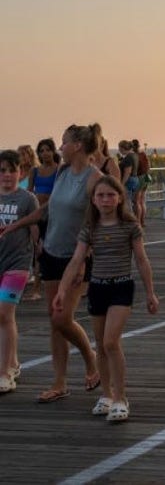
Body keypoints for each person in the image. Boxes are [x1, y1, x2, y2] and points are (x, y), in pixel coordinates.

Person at [53, 176, 158, 422]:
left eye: (110, 195)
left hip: (121, 286)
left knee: (111, 342)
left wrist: (151, 292)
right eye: (100, 195)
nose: (105, 200)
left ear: (120, 197)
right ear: (93, 199)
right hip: (98, 288)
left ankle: (121, 397)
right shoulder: (90, 228)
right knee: (100, 344)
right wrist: (62, 291)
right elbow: (76, 260)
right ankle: (107, 394)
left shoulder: (130, 226)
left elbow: (142, 260)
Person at [37, 123, 103, 403]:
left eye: (63, 143)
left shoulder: (94, 178)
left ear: (77, 146)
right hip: (51, 252)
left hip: (76, 258)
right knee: (55, 322)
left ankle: (91, 358)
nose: (60, 147)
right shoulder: (63, 172)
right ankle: (60, 382)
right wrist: (18, 224)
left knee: (63, 318)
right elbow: (48, 208)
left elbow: (100, 219)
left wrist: (87, 257)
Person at [0, 150, 40, 393]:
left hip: (17, 264)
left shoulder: (27, 199)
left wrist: (40, 254)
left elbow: (35, 230)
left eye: (11, 170)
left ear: (20, 172)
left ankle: (5, 373)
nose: (6, 175)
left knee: (4, 314)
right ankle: (12, 361)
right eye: (2, 170)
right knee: (4, 318)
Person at [25, 138, 60, 302]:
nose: (45, 153)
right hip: (36, 214)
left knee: (48, 249)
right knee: (37, 249)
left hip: (53, 215)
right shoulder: (34, 171)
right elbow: (29, 192)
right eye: (41, 150)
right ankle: (36, 289)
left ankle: (48, 285)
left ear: (53, 151)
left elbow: (60, 192)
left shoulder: (59, 170)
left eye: (47, 150)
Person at [131, 139, 152, 225]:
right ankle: (142, 221)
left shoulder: (134, 156)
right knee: (142, 201)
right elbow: (149, 166)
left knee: (136, 201)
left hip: (139, 177)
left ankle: (138, 222)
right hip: (146, 177)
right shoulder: (143, 154)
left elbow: (134, 169)